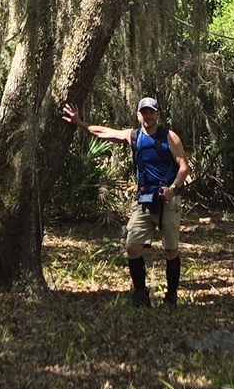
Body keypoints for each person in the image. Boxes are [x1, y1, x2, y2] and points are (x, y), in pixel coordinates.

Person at [61, 95, 189, 306]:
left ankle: (171, 297)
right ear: (139, 115)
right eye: (144, 112)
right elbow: (104, 133)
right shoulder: (134, 136)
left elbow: (184, 166)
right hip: (143, 199)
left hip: (168, 200)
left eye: (151, 112)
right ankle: (140, 294)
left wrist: (173, 189)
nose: (148, 115)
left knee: (171, 249)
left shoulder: (170, 137)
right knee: (132, 247)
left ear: (158, 114)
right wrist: (79, 123)